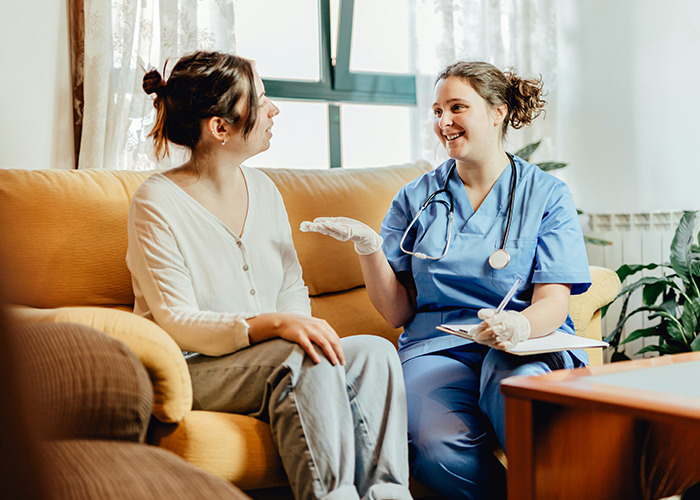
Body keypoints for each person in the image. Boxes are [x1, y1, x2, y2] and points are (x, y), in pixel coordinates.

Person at [126, 50, 412, 500]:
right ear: (220, 127)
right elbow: (176, 320)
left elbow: (290, 285)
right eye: (260, 100)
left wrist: (296, 325)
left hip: (271, 354)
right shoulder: (155, 203)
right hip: (197, 366)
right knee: (303, 357)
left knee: (374, 353)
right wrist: (277, 327)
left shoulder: (262, 188)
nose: (274, 109)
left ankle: (388, 493)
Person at [301, 61, 591, 500]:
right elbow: (398, 310)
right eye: (437, 111)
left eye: (457, 107)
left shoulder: (547, 194)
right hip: (437, 346)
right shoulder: (416, 198)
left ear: (498, 112)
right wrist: (368, 248)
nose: (444, 122)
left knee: (512, 384)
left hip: (523, 341)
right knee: (437, 449)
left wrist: (520, 326)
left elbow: (554, 301)